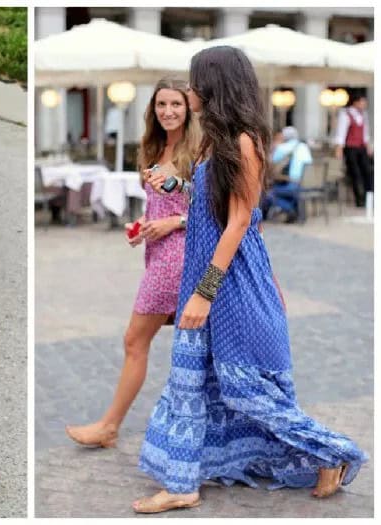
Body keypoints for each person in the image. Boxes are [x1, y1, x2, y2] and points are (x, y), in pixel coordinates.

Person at [133, 46, 368, 514]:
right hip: (208, 275)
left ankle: (333, 453)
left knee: (245, 388)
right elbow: (215, 202)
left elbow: (241, 222)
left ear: (215, 88)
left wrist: (204, 292)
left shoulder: (243, 141)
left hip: (226, 282)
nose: (190, 91)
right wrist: (176, 186)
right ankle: (182, 483)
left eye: (197, 83)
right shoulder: (216, 141)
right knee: (190, 380)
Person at [65, 77, 200, 447]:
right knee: (188, 346)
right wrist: (142, 226)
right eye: (161, 105)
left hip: (180, 256)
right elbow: (162, 204)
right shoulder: (153, 146)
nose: (168, 111)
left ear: (189, 109)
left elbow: (213, 209)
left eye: (176, 104)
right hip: (157, 251)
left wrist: (174, 222)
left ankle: (110, 425)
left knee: (135, 340)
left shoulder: (200, 151)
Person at [264, 126, 313, 222]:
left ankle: (290, 209)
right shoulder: (304, 146)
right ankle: (295, 210)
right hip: (307, 185)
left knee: (267, 193)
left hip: (293, 185)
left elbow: (269, 162)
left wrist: (275, 145)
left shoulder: (282, 147)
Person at [334, 94, 373, 207]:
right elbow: (341, 132)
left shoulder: (363, 115)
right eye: (362, 102)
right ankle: (359, 199)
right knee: (355, 173)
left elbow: (365, 132)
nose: (364, 104)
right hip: (350, 147)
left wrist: (367, 145)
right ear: (355, 102)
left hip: (361, 147)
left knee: (367, 171)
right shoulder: (346, 114)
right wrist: (339, 148)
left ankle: (369, 197)